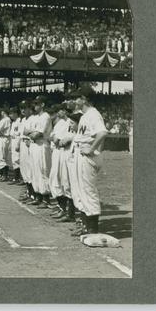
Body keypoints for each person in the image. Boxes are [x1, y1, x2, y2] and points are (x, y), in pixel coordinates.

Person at [69, 85, 109, 236]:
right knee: (81, 190)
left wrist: (92, 150)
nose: (74, 100)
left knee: (88, 190)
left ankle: (92, 229)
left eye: (77, 97)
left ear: (84, 99)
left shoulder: (93, 114)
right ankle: (86, 226)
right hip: (82, 154)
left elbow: (102, 132)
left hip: (88, 155)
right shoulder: (84, 115)